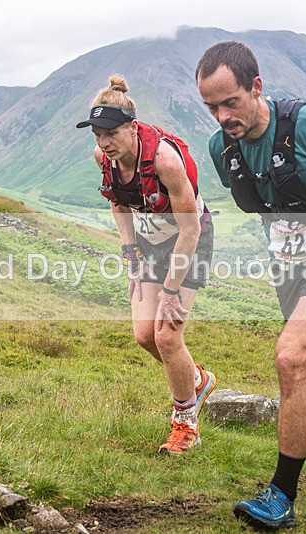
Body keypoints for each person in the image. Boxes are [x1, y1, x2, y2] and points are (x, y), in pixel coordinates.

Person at [196, 42, 306, 529]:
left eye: (230, 102)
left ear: (256, 88)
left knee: (290, 356)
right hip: (288, 263)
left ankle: (282, 494)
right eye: (211, 106)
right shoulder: (222, 148)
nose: (221, 116)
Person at [76, 75, 216, 454]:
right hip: (150, 242)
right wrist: (131, 255)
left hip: (190, 239)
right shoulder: (105, 159)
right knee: (144, 335)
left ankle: (185, 425)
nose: (104, 143)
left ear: (132, 128)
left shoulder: (165, 161)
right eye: (97, 135)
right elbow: (118, 202)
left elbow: (189, 228)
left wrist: (171, 291)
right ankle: (197, 380)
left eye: (111, 133)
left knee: (167, 335)